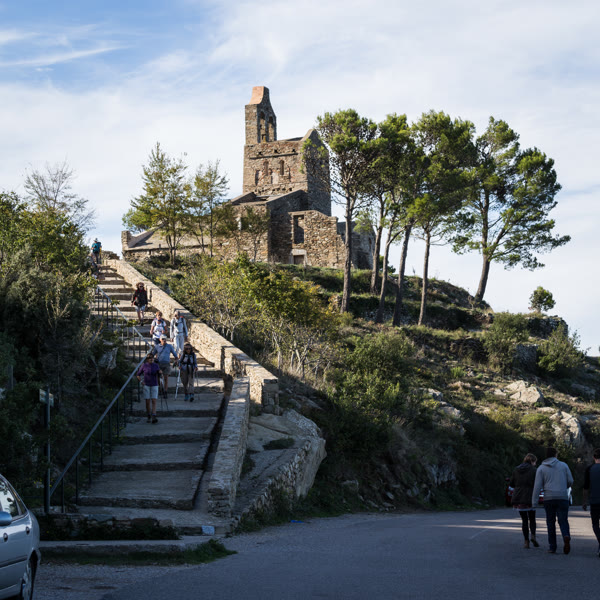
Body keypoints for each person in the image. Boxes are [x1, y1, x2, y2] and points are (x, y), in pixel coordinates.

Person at [532, 447, 574, 554]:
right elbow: (570, 480)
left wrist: (534, 502)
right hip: (562, 497)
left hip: (549, 498)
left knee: (550, 522)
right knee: (563, 520)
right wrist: (563, 486)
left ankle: (552, 547)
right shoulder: (564, 465)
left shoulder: (541, 468)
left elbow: (537, 486)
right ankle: (566, 535)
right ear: (555, 454)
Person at [510, 453, 539, 549]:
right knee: (532, 518)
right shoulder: (534, 470)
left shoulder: (516, 469)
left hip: (519, 497)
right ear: (532, 461)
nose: (535, 464)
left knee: (524, 520)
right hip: (530, 497)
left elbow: (512, 483)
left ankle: (526, 542)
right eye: (535, 462)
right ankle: (533, 536)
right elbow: (537, 483)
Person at [582, 448, 600, 557]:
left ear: (594, 457)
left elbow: (585, 488)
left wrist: (584, 502)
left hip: (594, 501)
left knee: (595, 524)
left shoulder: (589, 469)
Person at [136, 353, 162, 423]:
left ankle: (154, 415)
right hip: (146, 385)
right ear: (147, 359)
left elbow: (159, 375)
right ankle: (148, 415)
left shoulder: (156, 365)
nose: (151, 359)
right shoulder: (144, 365)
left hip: (154, 384)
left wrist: (160, 372)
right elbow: (138, 375)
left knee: (154, 400)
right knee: (147, 402)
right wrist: (141, 381)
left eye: (152, 357)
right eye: (150, 358)